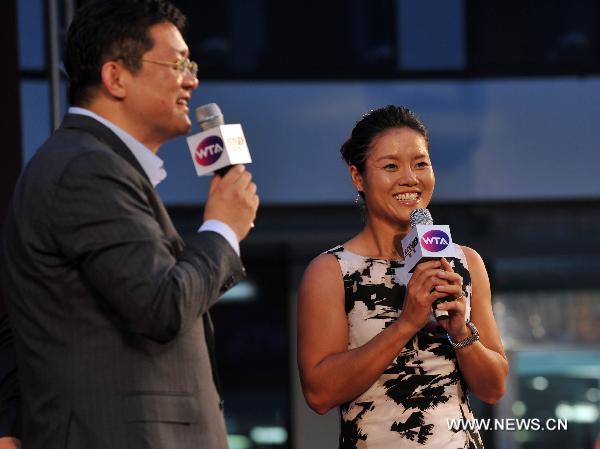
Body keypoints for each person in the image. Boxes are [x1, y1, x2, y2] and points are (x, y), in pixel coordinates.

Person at [0, 0, 258, 448]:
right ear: (115, 76)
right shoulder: (86, 169)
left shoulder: (91, 164)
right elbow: (162, 304)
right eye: (177, 63)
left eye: (191, 64)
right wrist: (221, 230)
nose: (192, 80)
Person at [297, 105, 508, 448]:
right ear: (358, 176)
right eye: (391, 166)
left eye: (421, 163)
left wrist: (461, 331)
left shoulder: (463, 262)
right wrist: (406, 324)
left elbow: (494, 387)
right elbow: (319, 393)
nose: (410, 178)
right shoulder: (331, 271)